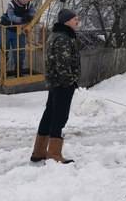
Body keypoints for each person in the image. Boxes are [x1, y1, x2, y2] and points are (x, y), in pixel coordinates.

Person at [30, 9, 81, 164]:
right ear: (66, 21)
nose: (77, 21)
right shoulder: (63, 38)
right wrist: (71, 81)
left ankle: (39, 152)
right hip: (62, 84)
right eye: (75, 19)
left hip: (56, 83)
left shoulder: (58, 35)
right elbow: (62, 64)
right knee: (59, 117)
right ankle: (54, 154)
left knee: (49, 115)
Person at [0, 0, 36, 76]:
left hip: (19, 31)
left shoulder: (29, 4)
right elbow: (12, 17)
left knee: (20, 52)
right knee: (3, 50)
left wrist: (30, 16)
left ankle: (19, 71)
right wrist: (23, 19)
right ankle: (1, 70)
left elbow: (33, 13)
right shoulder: (11, 4)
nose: (25, 0)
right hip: (6, 29)